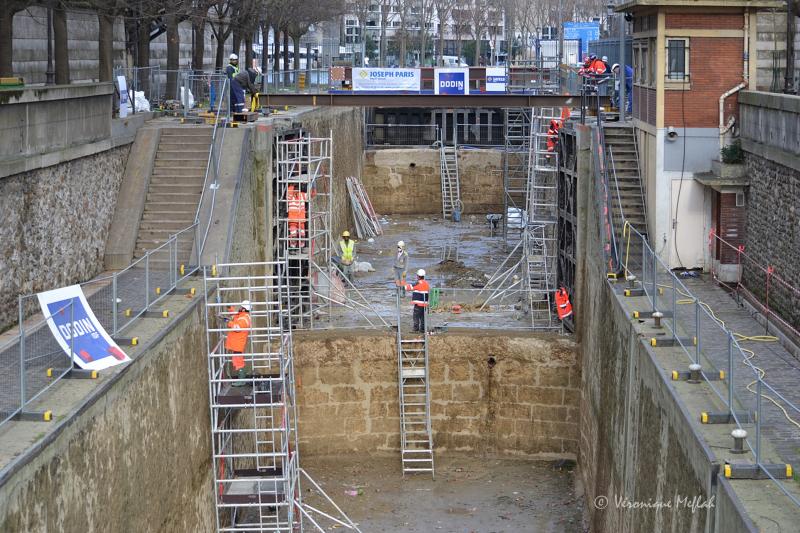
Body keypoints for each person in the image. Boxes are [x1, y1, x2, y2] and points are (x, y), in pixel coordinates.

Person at [225, 300, 251, 386]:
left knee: (238, 361)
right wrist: (230, 308)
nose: (239, 308)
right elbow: (235, 316)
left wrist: (228, 323)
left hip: (238, 344)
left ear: (244, 309)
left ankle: (242, 380)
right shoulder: (242, 316)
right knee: (237, 360)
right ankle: (241, 379)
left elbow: (237, 327)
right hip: (236, 343)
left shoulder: (244, 319)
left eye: (241, 307)